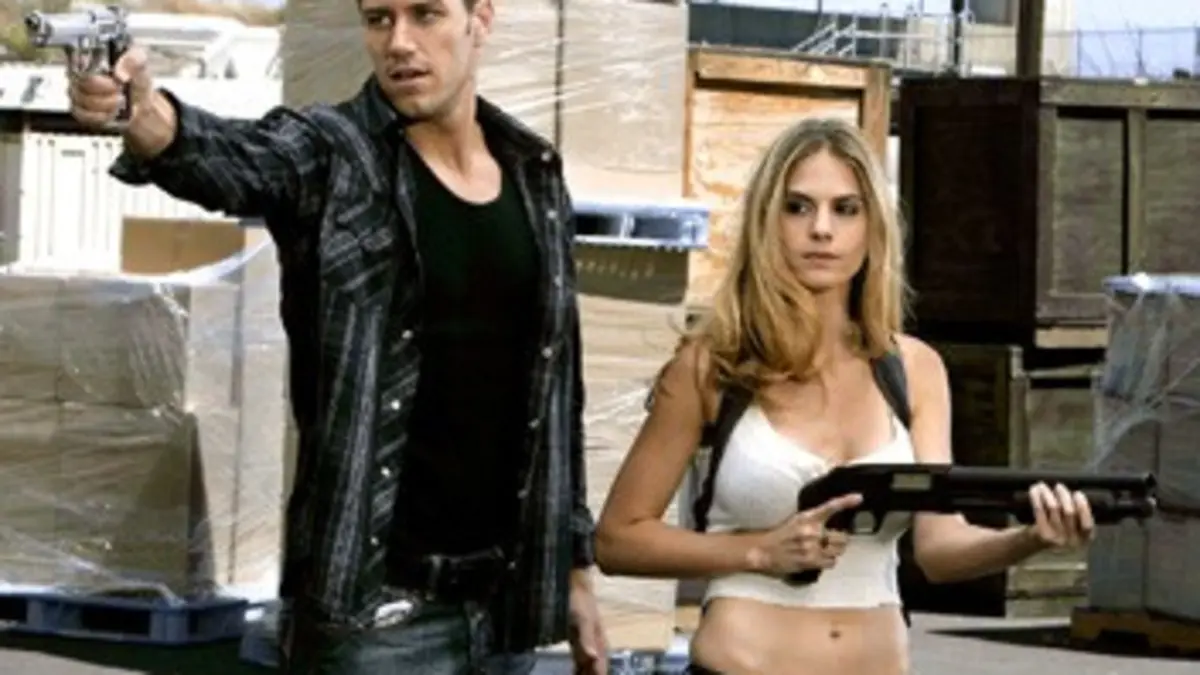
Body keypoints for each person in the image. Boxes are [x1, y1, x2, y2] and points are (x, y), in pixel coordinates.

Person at [66, 0, 607, 673]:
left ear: (481, 20)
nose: (399, 42)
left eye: (426, 15)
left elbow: (558, 394)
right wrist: (144, 116)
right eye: (379, 19)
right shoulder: (334, 153)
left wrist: (574, 571)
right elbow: (236, 158)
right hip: (374, 617)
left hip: (503, 608)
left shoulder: (533, 173)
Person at [593, 118, 1095, 675]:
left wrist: (1029, 538)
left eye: (846, 209)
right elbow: (616, 539)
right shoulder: (715, 364)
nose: (822, 229)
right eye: (798, 207)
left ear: (873, 226)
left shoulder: (914, 369)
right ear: (767, 221)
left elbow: (938, 549)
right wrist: (757, 552)